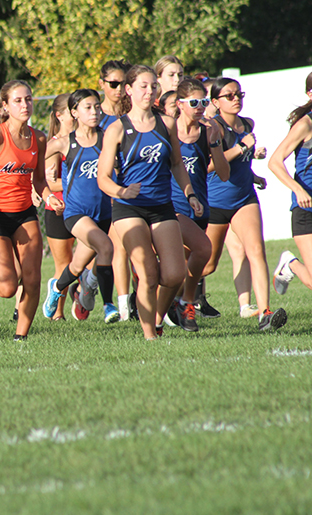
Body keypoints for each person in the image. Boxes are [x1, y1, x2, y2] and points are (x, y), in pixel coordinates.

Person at [96, 65, 203, 340]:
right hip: (128, 207)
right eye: (143, 86)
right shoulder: (117, 129)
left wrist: (190, 194)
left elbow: (177, 164)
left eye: (153, 85)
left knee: (175, 273)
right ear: (129, 90)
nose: (149, 91)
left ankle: (156, 318)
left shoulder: (167, 124)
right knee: (147, 271)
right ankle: (150, 337)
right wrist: (121, 192)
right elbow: (103, 178)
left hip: (161, 205)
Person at [0, 80, 63, 341]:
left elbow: (39, 180)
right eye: (17, 100)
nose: (25, 104)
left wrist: (50, 198)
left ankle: (21, 337)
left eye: (28, 99)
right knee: (7, 287)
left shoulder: (38, 138)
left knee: (31, 279)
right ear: (4, 106)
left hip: (24, 214)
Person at [201, 77, 287, 331]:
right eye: (229, 96)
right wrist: (241, 148)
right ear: (215, 102)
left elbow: (242, 164)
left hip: (244, 198)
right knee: (208, 264)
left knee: (256, 251)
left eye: (239, 94)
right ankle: (176, 298)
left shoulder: (247, 124)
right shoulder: (210, 128)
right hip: (215, 202)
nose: (236, 99)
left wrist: (254, 176)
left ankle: (265, 314)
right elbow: (208, 165)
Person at [269, 69, 312, 334]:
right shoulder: (306, 124)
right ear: (311, 94)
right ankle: (290, 263)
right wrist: (297, 189)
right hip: (306, 210)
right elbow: (275, 162)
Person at [42, 89, 118, 324]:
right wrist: (45, 194)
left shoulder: (109, 138)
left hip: (103, 213)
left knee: (77, 264)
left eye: (97, 106)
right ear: (74, 112)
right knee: (106, 247)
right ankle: (108, 305)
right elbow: (32, 166)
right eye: (87, 107)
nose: (94, 111)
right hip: (75, 212)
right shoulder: (64, 143)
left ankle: (57, 288)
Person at [164, 78, 229, 331]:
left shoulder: (208, 131)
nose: (200, 107)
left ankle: (165, 312)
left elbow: (223, 174)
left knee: (182, 270)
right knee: (202, 251)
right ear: (180, 104)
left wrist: (215, 142)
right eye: (194, 102)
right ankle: (186, 304)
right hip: (171, 208)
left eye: (203, 101)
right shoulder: (167, 130)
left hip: (200, 209)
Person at [98, 59, 135, 320]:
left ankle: (129, 304)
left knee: (127, 246)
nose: (119, 88)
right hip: (99, 190)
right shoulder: (93, 114)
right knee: (112, 248)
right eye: (113, 83)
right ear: (101, 84)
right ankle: (120, 306)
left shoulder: (133, 113)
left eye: (123, 83)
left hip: (128, 188)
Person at [42, 93, 76, 321]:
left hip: (85, 206)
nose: (77, 114)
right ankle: (58, 314)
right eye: (72, 110)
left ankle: (82, 293)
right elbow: (49, 181)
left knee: (94, 256)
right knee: (64, 264)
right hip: (59, 207)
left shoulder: (86, 140)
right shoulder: (54, 144)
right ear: (60, 115)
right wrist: (79, 180)